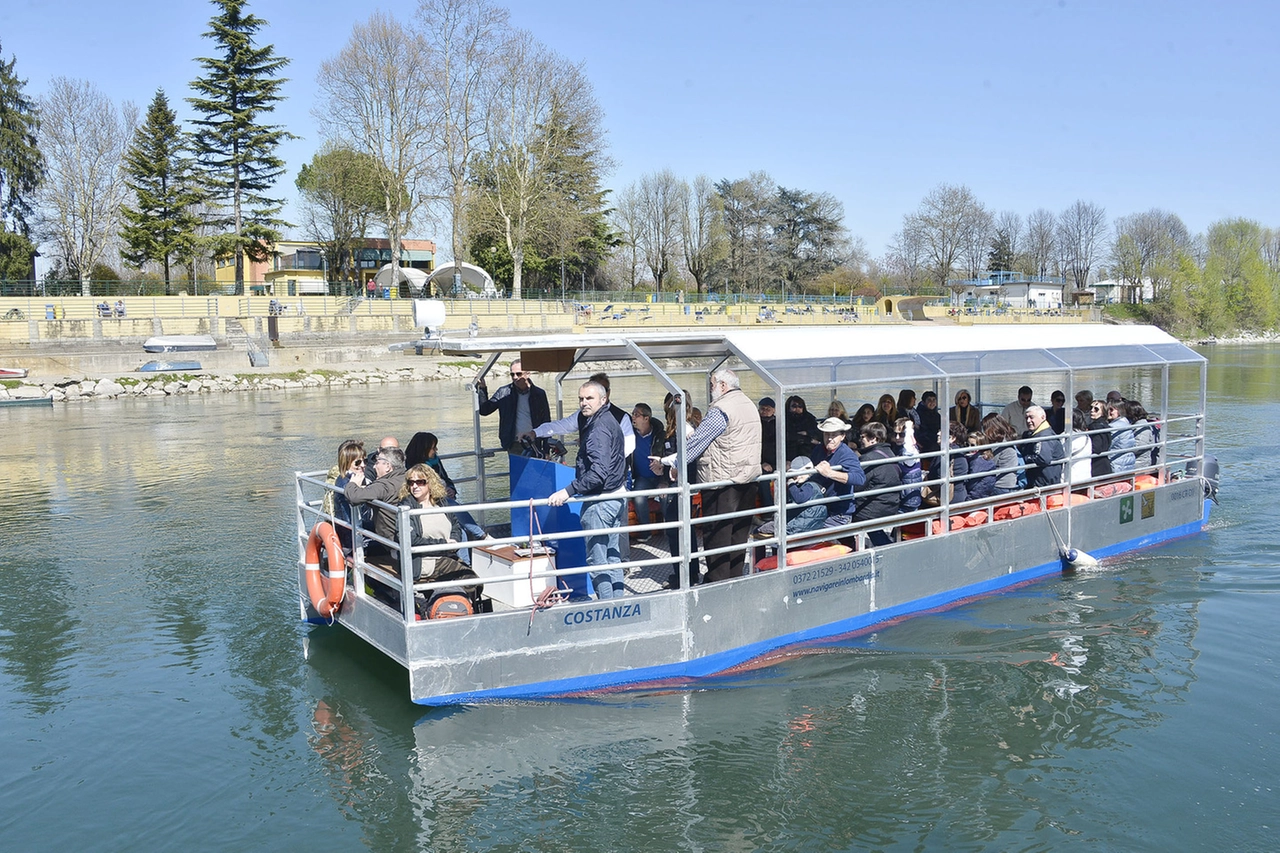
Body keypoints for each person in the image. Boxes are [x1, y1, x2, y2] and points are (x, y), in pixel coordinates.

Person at [665, 368, 762, 583]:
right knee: (738, 536)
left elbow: (699, 440)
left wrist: (676, 464)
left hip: (722, 482)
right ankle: (734, 580)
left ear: (723, 386)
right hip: (748, 478)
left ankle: (716, 584)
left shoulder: (721, 409)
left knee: (717, 537)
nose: (710, 390)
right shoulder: (748, 404)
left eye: (712, 385)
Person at [547, 380, 627, 599]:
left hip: (601, 502)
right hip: (616, 496)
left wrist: (567, 491)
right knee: (612, 556)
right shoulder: (607, 420)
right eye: (581, 399)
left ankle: (608, 608)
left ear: (604, 399)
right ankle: (618, 605)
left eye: (589, 398)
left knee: (597, 559)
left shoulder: (598, 429)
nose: (584, 403)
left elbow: (598, 472)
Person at [654, 390, 701, 588]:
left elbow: (688, 456)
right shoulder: (672, 430)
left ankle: (687, 574)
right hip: (675, 483)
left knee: (681, 529)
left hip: (684, 485)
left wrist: (667, 464)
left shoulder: (687, 429)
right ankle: (680, 572)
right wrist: (663, 468)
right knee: (676, 529)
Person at [396, 464, 466, 582]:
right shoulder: (406, 507)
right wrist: (443, 543)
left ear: (430, 483)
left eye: (420, 482)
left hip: (447, 554)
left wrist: (454, 542)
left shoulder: (441, 502)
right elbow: (411, 540)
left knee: (470, 575)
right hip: (425, 562)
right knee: (469, 578)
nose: (415, 486)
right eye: (411, 482)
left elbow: (455, 525)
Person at [476, 359, 551, 454]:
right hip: (514, 443)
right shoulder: (503, 392)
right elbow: (485, 410)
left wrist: (546, 449)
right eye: (512, 374)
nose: (515, 377)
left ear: (527, 374)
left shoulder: (539, 394)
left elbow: (546, 421)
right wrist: (482, 389)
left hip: (535, 443)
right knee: (517, 469)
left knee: (535, 469)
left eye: (519, 374)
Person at [344, 445, 407, 556]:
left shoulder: (384, 485)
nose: (373, 467)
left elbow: (354, 497)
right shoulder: (408, 478)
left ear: (387, 466)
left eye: (377, 462)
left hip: (395, 544)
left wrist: (352, 484)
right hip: (407, 535)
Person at [809, 416, 865, 528]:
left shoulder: (846, 454)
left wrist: (830, 473)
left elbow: (860, 478)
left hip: (840, 512)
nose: (830, 438)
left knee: (810, 535)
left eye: (834, 435)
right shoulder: (819, 449)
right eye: (826, 434)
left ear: (842, 436)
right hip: (820, 507)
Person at [753, 456, 829, 538]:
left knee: (758, 531)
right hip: (814, 524)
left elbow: (799, 498)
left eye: (799, 473)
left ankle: (773, 551)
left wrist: (791, 483)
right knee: (771, 528)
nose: (796, 477)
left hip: (801, 527)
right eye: (794, 474)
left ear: (808, 472)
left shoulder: (809, 486)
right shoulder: (817, 484)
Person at [852, 422, 902, 546]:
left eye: (863, 437)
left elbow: (857, 486)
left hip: (872, 509)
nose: (860, 440)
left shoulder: (868, 458)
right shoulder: (889, 452)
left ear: (873, 438)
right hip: (891, 504)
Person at [323, 439, 371, 553]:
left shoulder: (358, 478)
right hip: (351, 540)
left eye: (365, 461)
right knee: (392, 543)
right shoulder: (344, 482)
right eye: (358, 463)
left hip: (358, 532)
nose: (363, 465)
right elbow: (353, 499)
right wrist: (357, 488)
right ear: (346, 463)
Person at [628, 402, 664, 533]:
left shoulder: (660, 435)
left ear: (646, 418)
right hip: (643, 478)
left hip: (661, 477)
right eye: (632, 414)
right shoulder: (629, 435)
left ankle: (671, 532)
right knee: (638, 498)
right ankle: (646, 533)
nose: (633, 417)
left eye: (636, 414)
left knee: (666, 497)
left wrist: (661, 464)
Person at [1021, 405, 1065, 486]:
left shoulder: (1045, 436)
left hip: (1044, 483)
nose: (1028, 420)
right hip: (1039, 480)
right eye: (1026, 418)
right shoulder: (1036, 433)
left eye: (1031, 417)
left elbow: (1043, 458)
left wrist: (1024, 458)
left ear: (1043, 417)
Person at [984, 416, 1022, 495]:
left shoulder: (1001, 446)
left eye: (984, 428)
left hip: (1001, 486)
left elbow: (990, 464)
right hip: (1007, 484)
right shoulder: (1006, 441)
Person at [893, 417, 922, 511]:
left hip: (909, 499)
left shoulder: (911, 450)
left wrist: (909, 430)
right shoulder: (899, 448)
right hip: (903, 496)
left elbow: (908, 450)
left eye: (901, 434)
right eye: (895, 434)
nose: (897, 438)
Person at [758, 397, 778, 508]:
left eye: (768, 409)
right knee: (763, 480)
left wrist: (788, 460)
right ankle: (769, 510)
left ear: (774, 410)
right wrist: (761, 463)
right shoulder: (755, 423)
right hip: (762, 462)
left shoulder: (779, 423)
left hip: (778, 460)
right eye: (762, 408)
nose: (765, 411)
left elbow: (789, 443)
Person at [784, 395, 819, 459]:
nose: (797, 408)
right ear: (788, 407)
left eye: (800, 406)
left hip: (808, 448)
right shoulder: (784, 418)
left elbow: (817, 431)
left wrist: (807, 433)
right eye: (794, 406)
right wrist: (808, 439)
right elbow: (787, 435)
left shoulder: (809, 418)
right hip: (790, 449)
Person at [915, 391, 942, 470]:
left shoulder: (937, 415)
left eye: (934, 400)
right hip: (925, 444)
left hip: (935, 442)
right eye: (929, 400)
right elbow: (920, 431)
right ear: (924, 402)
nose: (932, 402)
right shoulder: (919, 414)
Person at [1108, 399, 1136, 472]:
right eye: (1107, 409)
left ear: (1119, 411)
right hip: (1128, 463)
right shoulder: (1127, 423)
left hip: (1116, 464)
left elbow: (1107, 445)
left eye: (1111, 409)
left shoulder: (1114, 426)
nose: (1108, 412)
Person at [1086, 398, 1113, 477]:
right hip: (1104, 464)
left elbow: (1097, 447)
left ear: (1103, 412)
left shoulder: (1096, 427)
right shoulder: (1104, 424)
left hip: (1097, 465)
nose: (1092, 410)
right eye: (1090, 408)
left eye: (1096, 409)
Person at [1128, 401, 1157, 469]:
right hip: (1134, 460)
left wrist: (1122, 449)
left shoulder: (1142, 428)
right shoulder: (1136, 425)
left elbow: (1139, 447)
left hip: (1139, 462)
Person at [1067, 408, 1092, 483]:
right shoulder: (1087, 436)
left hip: (1071, 478)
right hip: (1086, 476)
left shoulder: (1068, 436)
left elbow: (1060, 454)